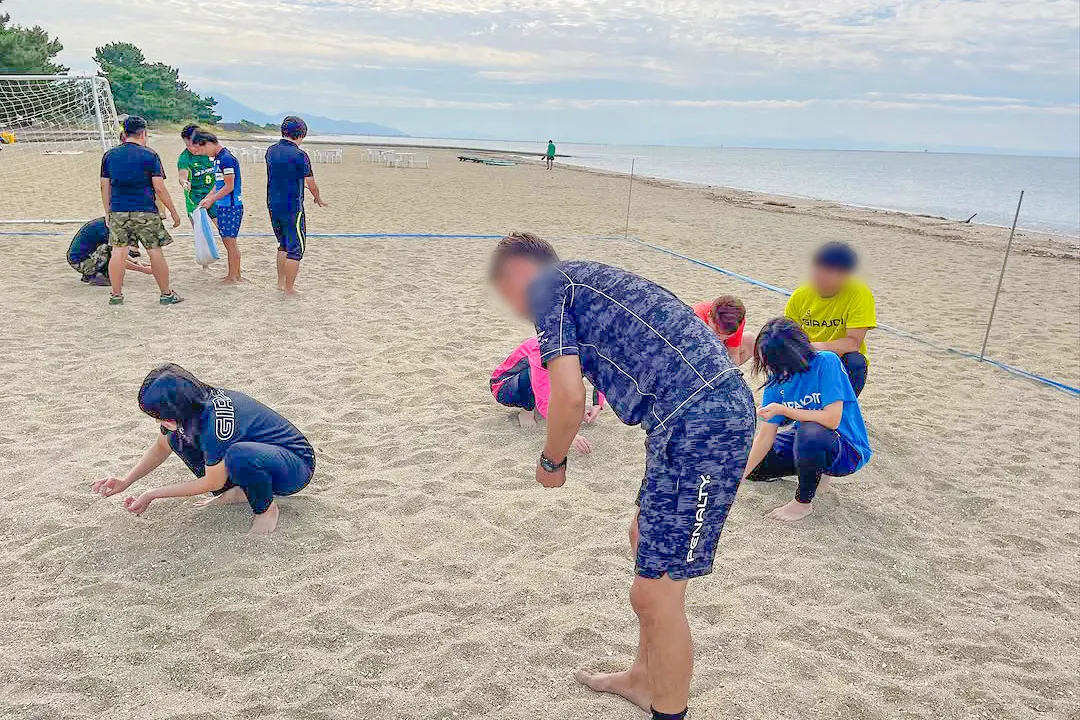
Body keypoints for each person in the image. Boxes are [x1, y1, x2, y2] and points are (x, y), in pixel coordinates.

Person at [490, 232, 756, 720]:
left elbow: (569, 395)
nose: (510, 304)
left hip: (703, 423)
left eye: (503, 287)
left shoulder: (549, 288)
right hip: (687, 418)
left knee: (657, 593)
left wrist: (552, 461)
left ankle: (668, 712)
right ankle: (642, 678)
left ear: (519, 272)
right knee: (642, 540)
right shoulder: (585, 282)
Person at [90, 363, 316, 535]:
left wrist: (152, 494)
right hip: (260, 458)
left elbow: (212, 482)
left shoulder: (215, 423)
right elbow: (161, 447)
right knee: (175, 437)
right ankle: (239, 491)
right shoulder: (191, 407)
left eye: (161, 417)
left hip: (295, 466)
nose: (158, 422)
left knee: (239, 455)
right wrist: (126, 481)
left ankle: (266, 509)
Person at [742, 318, 872, 522]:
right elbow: (765, 437)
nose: (776, 369)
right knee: (753, 466)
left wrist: (784, 410)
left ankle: (802, 503)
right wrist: (737, 479)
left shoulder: (826, 362)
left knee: (811, 432)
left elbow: (831, 419)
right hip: (803, 440)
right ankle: (811, 470)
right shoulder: (777, 379)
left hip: (845, 447)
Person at [99, 115, 183, 306]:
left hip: (119, 210)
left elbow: (104, 186)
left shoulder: (110, 156)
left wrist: (108, 211)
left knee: (118, 251)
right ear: (143, 133)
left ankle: (116, 295)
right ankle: (166, 294)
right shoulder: (150, 155)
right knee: (154, 251)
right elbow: (159, 188)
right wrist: (173, 211)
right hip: (145, 210)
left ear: (124, 133)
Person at [785, 242, 876, 396]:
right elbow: (788, 336)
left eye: (829, 271)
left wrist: (813, 347)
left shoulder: (859, 294)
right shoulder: (799, 296)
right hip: (807, 358)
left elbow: (853, 342)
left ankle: (845, 407)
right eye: (818, 268)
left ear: (845, 275)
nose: (821, 276)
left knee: (856, 361)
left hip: (838, 358)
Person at [490, 336, 606, 453]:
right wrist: (568, 434)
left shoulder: (585, 346)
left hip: (542, 378)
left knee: (572, 373)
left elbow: (600, 373)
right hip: (503, 387)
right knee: (539, 373)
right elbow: (543, 396)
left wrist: (597, 404)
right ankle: (527, 410)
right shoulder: (545, 348)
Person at [265, 116, 327, 295]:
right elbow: (311, 183)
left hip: (273, 203)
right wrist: (317, 198)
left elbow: (282, 175)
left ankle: (280, 283)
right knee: (295, 249)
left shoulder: (271, 151)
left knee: (283, 244)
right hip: (292, 206)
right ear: (301, 135)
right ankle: (289, 289)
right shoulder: (300, 155)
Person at [190, 129, 245, 283]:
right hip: (223, 205)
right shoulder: (218, 159)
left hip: (231, 206)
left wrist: (211, 200)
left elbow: (229, 186)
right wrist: (208, 197)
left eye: (202, 150)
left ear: (208, 143)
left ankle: (233, 276)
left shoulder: (226, 158)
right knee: (228, 242)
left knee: (230, 243)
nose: (202, 154)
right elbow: (219, 184)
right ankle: (235, 274)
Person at [67, 217, 153, 285]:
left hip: (81, 259)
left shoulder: (106, 223)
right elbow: (116, 257)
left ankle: (92, 274)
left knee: (110, 250)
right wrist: (141, 269)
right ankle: (96, 275)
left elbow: (119, 253)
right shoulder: (109, 230)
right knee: (107, 250)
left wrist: (136, 262)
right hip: (80, 262)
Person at [691, 295, 756, 366]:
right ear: (709, 317)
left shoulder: (736, 322)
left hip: (717, 351)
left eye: (727, 334)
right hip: (694, 351)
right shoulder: (695, 319)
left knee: (750, 340)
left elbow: (733, 353)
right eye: (717, 331)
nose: (720, 338)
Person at [177, 124, 217, 223]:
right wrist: (184, 182)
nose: (191, 148)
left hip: (214, 194)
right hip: (194, 198)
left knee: (222, 227)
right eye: (187, 145)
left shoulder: (211, 152)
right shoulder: (184, 158)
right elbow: (182, 177)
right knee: (200, 229)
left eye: (193, 144)